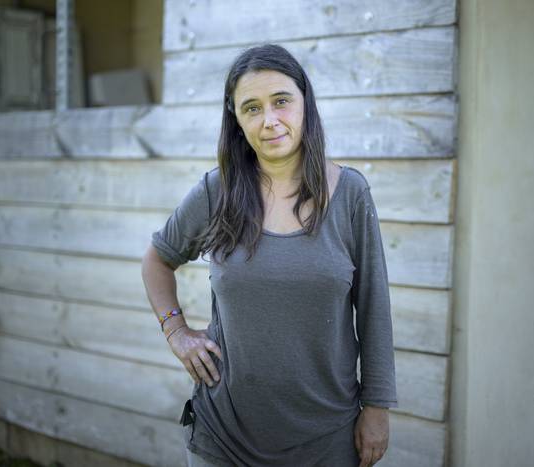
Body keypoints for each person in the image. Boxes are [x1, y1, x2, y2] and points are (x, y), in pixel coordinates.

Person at [141, 43, 397, 467]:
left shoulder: (350, 194)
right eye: (252, 108)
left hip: (327, 438)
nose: (270, 120)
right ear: (237, 120)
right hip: (223, 436)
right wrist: (176, 332)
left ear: (305, 103)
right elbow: (157, 259)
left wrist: (377, 407)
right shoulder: (217, 191)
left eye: (281, 101)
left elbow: (374, 308)